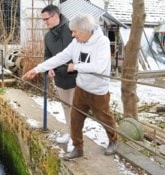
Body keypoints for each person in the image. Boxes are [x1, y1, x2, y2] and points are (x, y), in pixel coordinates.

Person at [22, 14, 118, 160]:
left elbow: (99, 67)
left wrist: (75, 67)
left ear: (84, 30)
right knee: (75, 119)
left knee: (104, 117)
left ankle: (113, 140)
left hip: (98, 91)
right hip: (81, 88)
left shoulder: (102, 42)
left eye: (75, 32)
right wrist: (37, 69)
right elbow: (60, 57)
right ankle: (78, 148)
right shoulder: (77, 43)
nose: (72, 35)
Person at [41, 5, 76, 144]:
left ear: (56, 15)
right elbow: (47, 55)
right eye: (43, 20)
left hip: (75, 76)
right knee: (66, 106)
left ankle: (75, 139)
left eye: (46, 19)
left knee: (75, 109)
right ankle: (69, 132)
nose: (45, 22)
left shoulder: (71, 29)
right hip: (59, 77)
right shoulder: (48, 36)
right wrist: (48, 67)